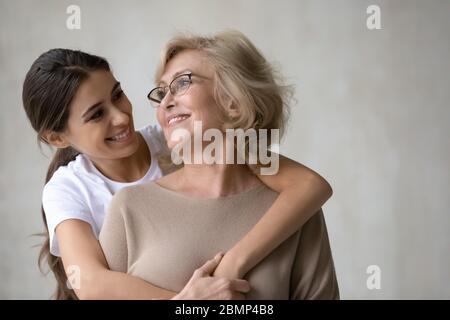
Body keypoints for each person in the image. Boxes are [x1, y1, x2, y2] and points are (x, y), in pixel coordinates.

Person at [22, 45, 332, 300]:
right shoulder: (70, 188)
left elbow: (307, 184)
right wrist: (188, 302)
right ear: (58, 138)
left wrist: (232, 266)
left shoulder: (175, 137)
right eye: (97, 114)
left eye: (117, 95)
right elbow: (91, 285)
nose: (120, 117)